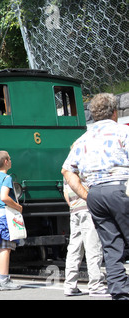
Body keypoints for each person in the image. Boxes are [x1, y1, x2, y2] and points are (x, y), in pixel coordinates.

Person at [62, 93, 129, 300]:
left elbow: (66, 170)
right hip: (120, 189)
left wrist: (86, 194)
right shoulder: (122, 132)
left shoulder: (83, 139)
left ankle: (120, 293)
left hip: (96, 196)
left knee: (111, 246)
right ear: (115, 112)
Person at [63, 179, 109, 297]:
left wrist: (73, 206)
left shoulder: (67, 167)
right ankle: (95, 286)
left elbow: (65, 192)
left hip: (74, 210)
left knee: (74, 249)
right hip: (88, 210)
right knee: (93, 248)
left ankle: (70, 285)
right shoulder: (85, 164)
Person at [0, 150, 22, 291]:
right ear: (6, 162)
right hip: (4, 215)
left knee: (0, 248)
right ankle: (5, 280)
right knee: (6, 248)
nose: (11, 161)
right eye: (10, 159)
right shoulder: (6, 178)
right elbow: (4, 197)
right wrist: (18, 206)